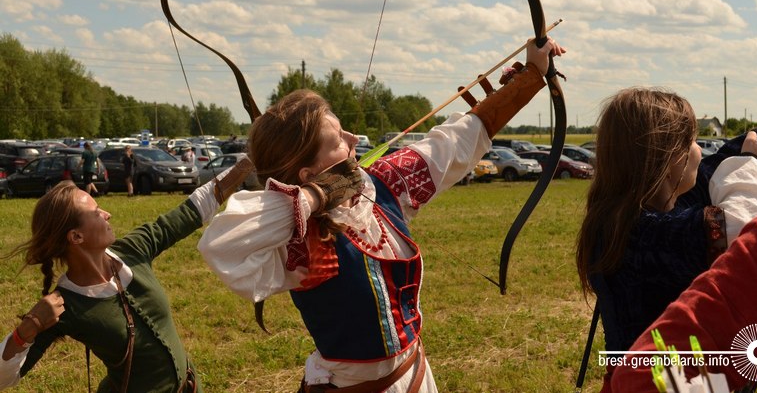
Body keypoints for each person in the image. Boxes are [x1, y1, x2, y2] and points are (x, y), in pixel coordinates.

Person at [198, 36, 565, 392]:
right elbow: (221, 244)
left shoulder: (380, 187)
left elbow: (454, 143)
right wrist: (315, 196)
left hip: (415, 376)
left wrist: (533, 72)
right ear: (307, 173)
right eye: (338, 140)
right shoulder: (295, 235)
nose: (353, 139)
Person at [574, 87, 757, 388]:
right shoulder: (642, 234)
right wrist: (754, 165)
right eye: (693, 142)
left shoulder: (622, 214)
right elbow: (740, 231)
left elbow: (712, 168)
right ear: (670, 159)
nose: (700, 149)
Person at [0, 158, 254, 392]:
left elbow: (190, 211)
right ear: (76, 237)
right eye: (96, 212)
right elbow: (4, 378)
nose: (106, 214)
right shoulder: (63, 306)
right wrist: (27, 330)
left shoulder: (133, 250)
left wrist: (249, 161)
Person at [609, 197, 757, 392]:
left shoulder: (612, 223)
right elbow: (729, 223)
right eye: (698, 163)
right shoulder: (684, 230)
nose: (701, 165)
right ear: (669, 169)